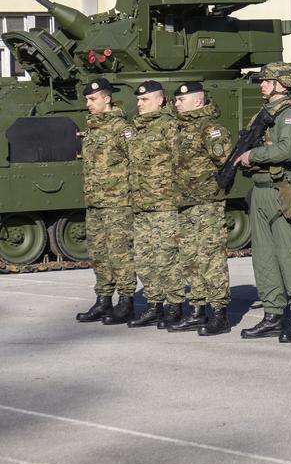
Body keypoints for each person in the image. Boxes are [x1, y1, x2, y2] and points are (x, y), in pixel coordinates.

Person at [233, 63, 291, 343]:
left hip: (283, 189)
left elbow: (288, 149)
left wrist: (253, 156)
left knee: (290, 254)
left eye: (267, 81)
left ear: (282, 84)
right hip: (260, 189)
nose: (262, 85)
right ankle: (272, 314)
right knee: (263, 256)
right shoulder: (263, 113)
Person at [170, 82, 233, 335]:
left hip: (207, 204)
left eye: (181, 100)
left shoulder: (210, 129)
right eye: (176, 100)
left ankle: (219, 313)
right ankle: (197, 310)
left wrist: (213, 189)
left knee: (210, 258)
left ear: (197, 101)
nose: (176, 103)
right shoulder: (181, 128)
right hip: (185, 203)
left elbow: (226, 162)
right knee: (189, 259)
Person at [76, 78, 135, 325]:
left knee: (120, 253)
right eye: (87, 100)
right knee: (98, 253)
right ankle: (103, 300)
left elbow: (137, 162)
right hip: (95, 203)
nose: (88, 104)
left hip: (117, 203)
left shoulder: (122, 128)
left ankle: (126, 302)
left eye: (92, 99)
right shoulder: (92, 129)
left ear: (107, 99)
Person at [126, 81, 179, 328]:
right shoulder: (137, 128)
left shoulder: (169, 126)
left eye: (144, 99)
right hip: (141, 206)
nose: (139, 104)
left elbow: (180, 162)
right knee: (144, 259)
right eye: (138, 100)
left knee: (166, 257)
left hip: (164, 205)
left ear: (159, 100)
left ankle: (174, 305)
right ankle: (153, 305)